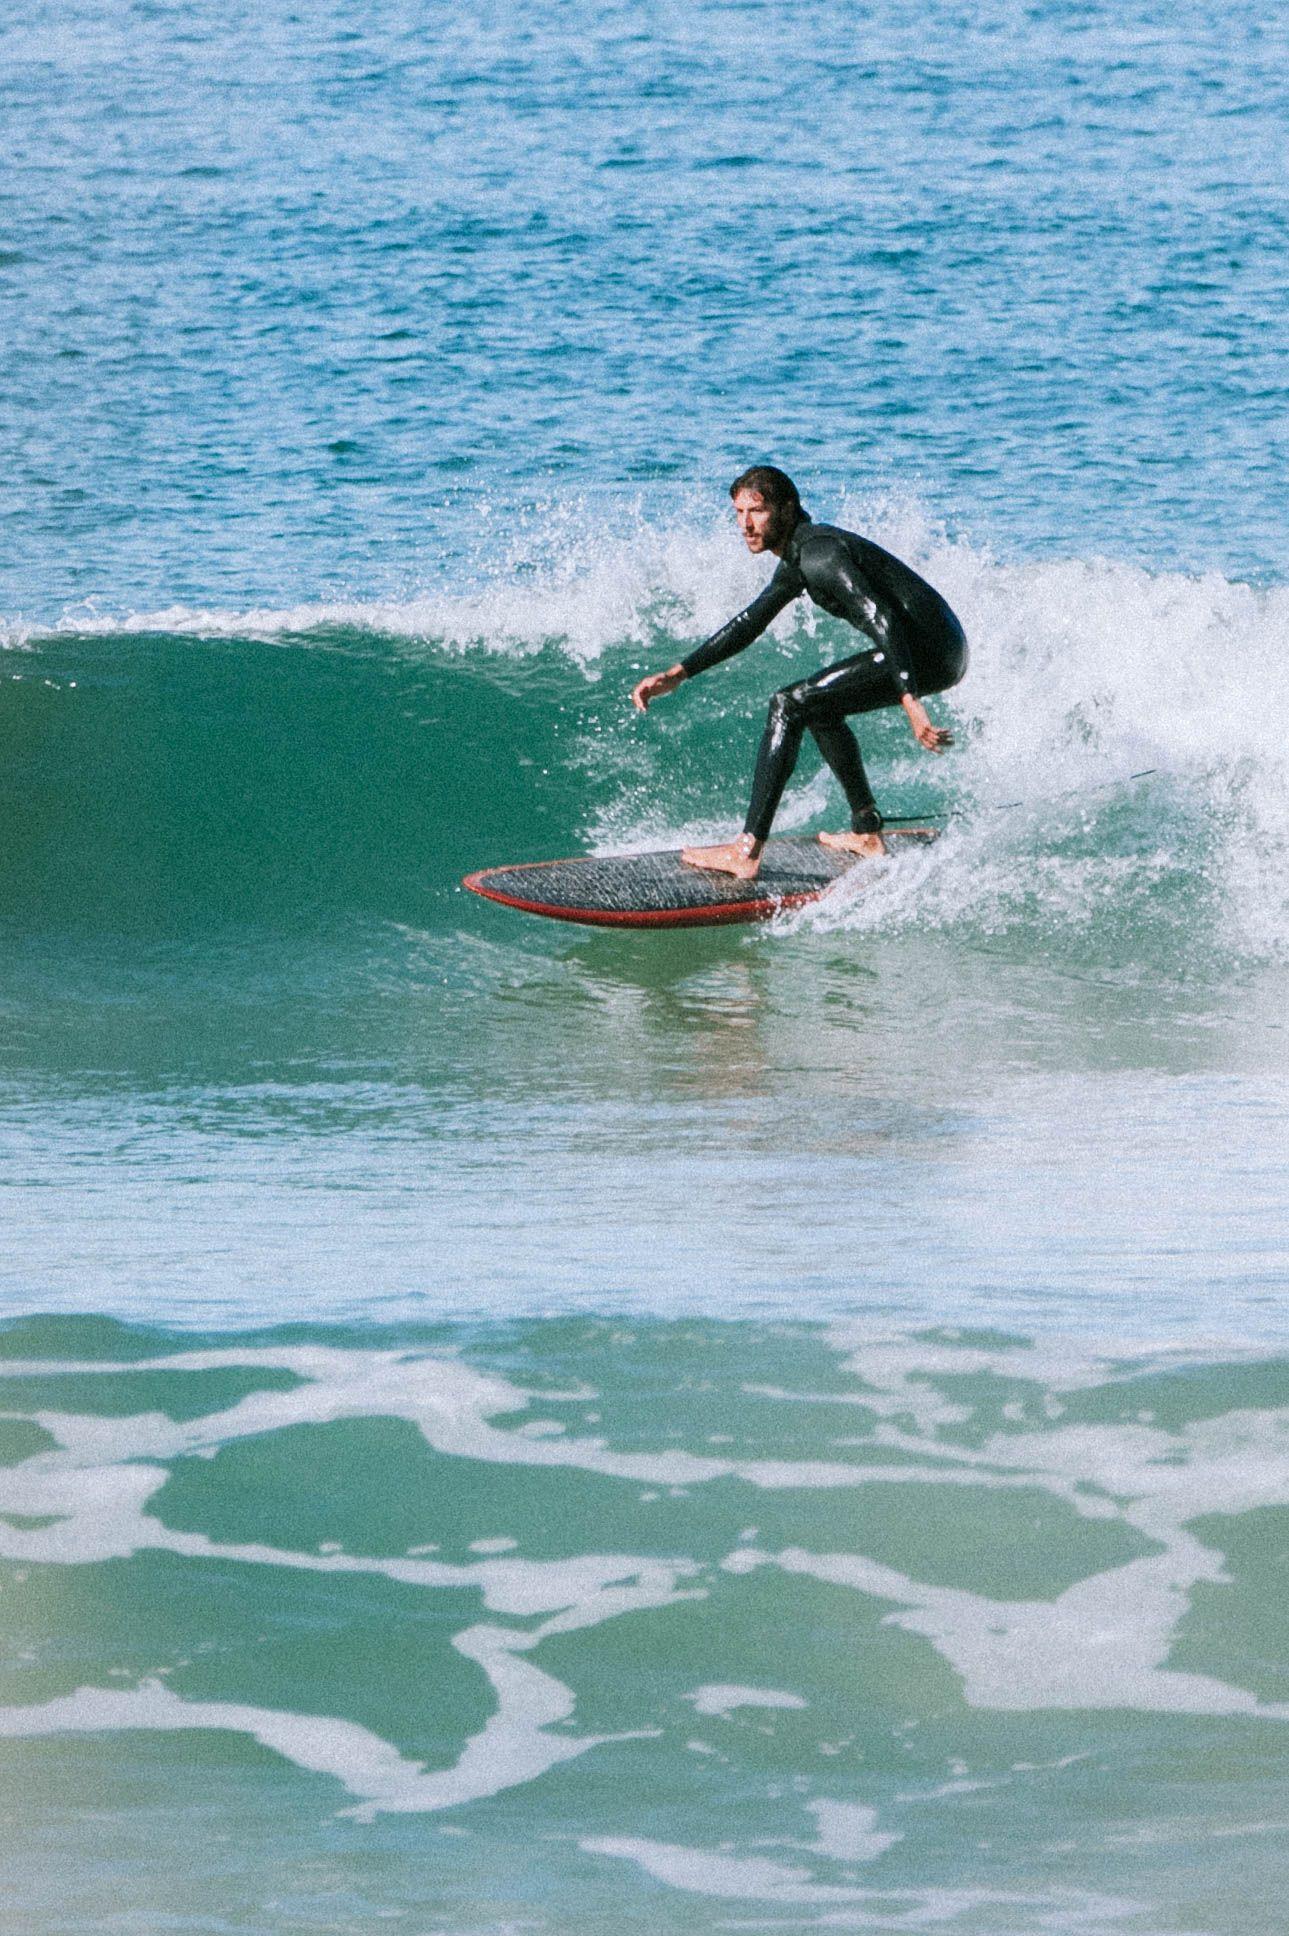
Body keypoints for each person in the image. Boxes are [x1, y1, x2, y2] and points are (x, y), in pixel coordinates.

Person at [631, 466, 968, 880]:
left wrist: (909, 701)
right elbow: (749, 622)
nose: (745, 525)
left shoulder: (820, 556)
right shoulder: (799, 556)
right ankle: (866, 832)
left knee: (788, 703)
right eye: (738, 513)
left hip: (931, 651)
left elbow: (880, 617)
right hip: (932, 647)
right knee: (815, 706)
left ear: (787, 508)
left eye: (756, 511)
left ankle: (747, 850)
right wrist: (679, 673)